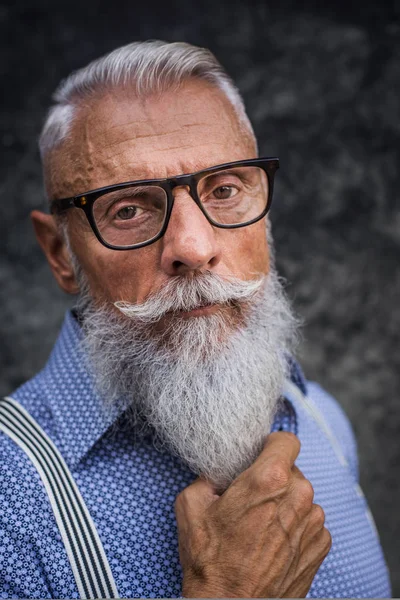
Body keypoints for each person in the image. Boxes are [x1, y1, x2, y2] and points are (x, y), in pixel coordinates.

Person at [0, 40, 390, 599]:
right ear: (60, 252)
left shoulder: (324, 419)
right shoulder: (10, 501)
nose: (193, 246)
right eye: (128, 209)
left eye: (226, 189)